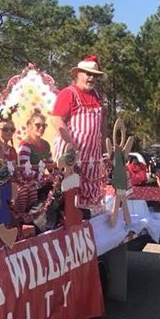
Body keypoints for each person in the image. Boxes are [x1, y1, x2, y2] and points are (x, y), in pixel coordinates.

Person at [51, 55, 106, 211]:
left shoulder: (97, 95)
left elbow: (102, 122)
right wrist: (72, 148)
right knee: (68, 195)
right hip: (70, 156)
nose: (91, 78)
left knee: (90, 197)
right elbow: (56, 120)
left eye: (94, 75)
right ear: (77, 74)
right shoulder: (68, 93)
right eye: (87, 74)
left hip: (92, 157)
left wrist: (103, 147)